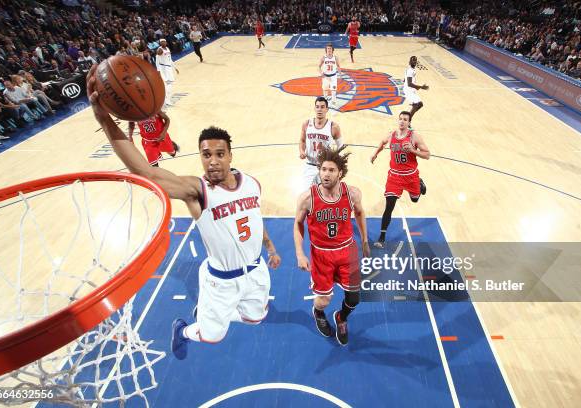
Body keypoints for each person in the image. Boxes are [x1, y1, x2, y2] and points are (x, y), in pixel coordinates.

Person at [85, 65, 282, 360]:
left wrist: (269, 245)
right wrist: (103, 118)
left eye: (219, 154)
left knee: (256, 318)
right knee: (213, 335)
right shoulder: (197, 191)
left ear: (230, 155)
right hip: (221, 280)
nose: (212, 161)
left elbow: (254, 219)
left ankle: (211, 315)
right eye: (206, 155)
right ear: (201, 158)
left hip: (256, 271)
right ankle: (187, 329)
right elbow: (144, 171)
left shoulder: (252, 184)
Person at [294, 146, 371, 346]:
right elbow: (297, 224)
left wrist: (364, 240)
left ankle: (341, 318)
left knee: (354, 299)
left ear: (340, 173)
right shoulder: (307, 198)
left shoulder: (352, 193)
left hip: (347, 251)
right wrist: (300, 253)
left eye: (331, 170)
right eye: (323, 169)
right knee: (323, 300)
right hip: (321, 255)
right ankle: (318, 312)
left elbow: (361, 213)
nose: (326, 174)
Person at [370, 111, 430, 248]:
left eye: (405, 120)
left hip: (410, 176)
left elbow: (427, 155)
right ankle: (382, 237)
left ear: (409, 123)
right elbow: (382, 142)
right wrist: (375, 154)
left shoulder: (414, 137)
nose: (402, 121)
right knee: (389, 207)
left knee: (415, 199)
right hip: (394, 176)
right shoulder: (391, 135)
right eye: (400, 119)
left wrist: (413, 151)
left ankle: (420, 184)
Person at [299, 96, 343, 191]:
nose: (319, 109)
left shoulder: (333, 127)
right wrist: (302, 151)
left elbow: (341, 147)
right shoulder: (306, 124)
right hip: (309, 164)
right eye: (317, 107)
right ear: (314, 108)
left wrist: (337, 164)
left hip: (325, 166)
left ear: (327, 109)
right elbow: (302, 140)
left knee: (324, 194)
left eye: (322, 107)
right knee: (305, 194)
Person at [404, 56, 429, 122]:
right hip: (409, 90)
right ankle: (408, 121)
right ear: (410, 62)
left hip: (411, 90)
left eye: (415, 60)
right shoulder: (410, 70)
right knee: (416, 105)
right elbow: (409, 84)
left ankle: (408, 116)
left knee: (420, 104)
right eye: (413, 60)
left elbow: (405, 79)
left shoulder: (411, 69)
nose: (414, 62)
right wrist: (421, 87)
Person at [155, 39, 179, 107]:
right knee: (168, 84)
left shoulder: (167, 48)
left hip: (169, 68)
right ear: (160, 43)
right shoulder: (159, 50)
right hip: (164, 68)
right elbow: (157, 61)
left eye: (164, 41)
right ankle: (167, 100)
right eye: (162, 42)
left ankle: (166, 99)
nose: (164, 43)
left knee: (170, 84)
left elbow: (170, 59)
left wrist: (175, 67)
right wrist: (158, 71)